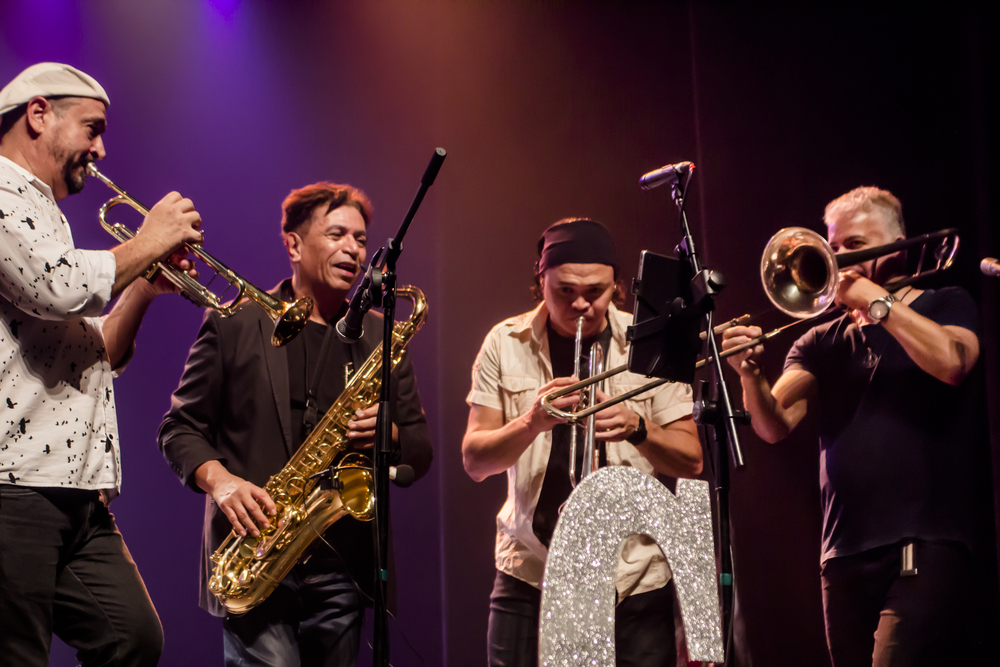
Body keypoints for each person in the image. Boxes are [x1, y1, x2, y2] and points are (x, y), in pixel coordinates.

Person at [158, 181, 433, 666]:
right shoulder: (235, 320)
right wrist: (221, 483)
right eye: (336, 234)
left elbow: (420, 450)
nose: (353, 248)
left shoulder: (381, 335)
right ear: (293, 244)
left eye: (361, 239)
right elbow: (178, 429)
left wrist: (388, 432)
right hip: (257, 553)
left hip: (342, 567)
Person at [722, 187, 980, 666]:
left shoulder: (945, 303)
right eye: (834, 247)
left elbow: (953, 362)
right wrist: (749, 374)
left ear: (898, 246)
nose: (838, 259)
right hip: (841, 554)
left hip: (921, 542)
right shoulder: (818, 340)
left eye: (855, 246)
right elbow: (773, 425)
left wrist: (877, 303)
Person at [0, 62, 204, 666]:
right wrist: (147, 240)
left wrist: (144, 283)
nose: (100, 148)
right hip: (15, 482)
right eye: (92, 128)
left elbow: (100, 351)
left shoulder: (46, 214)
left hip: (79, 487)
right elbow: (57, 288)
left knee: (132, 639)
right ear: (39, 114)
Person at [462, 218, 704, 666]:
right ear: (541, 281)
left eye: (595, 291)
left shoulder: (652, 343)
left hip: (632, 578)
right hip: (530, 572)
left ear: (618, 286)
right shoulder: (504, 342)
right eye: (564, 291)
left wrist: (639, 427)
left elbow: (691, 461)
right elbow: (475, 461)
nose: (579, 304)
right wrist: (532, 422)